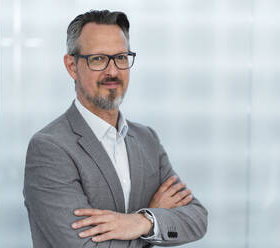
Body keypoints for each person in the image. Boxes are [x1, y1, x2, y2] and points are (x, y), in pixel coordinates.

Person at [23, 10, 207, 248]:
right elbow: (88, 246)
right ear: (72, 66)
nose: (113, 71)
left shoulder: (146, 139)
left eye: (120, 57)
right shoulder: (50, 148)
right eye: (98, 59)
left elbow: (197, 218)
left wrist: (142, 221)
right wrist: (156, 218)